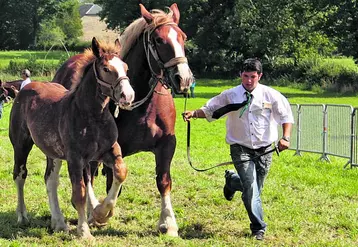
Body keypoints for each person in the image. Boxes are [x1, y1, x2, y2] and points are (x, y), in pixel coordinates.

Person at [183, 58, 294, 241]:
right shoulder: (231, 95)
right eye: (245, 76)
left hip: (265, 150)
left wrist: (286, 137)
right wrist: (194, 113)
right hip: (240, 148)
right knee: (251, 188)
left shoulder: (271, 95)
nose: (249, 80)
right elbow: (212, 109)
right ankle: (258, 227)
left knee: (256, 188)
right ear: (240, 75)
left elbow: (285, 116)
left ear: (260, 76)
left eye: (252, 76)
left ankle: (232, 181)